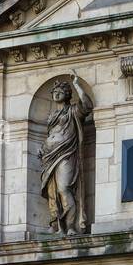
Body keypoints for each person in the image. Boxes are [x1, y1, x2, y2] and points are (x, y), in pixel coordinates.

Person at [39, 73, 92, 234]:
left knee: (63, 188)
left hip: (67, 154)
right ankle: (55, 223)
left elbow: (87, 106)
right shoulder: (52, 116)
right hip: (49, 157)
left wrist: (77, 84)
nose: (56, 93)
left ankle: (70, 225)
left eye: (60, 91)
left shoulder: (73, 110)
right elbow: (52, 135)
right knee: (52, 190)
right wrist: (42, 149)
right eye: (54, 91)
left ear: (68, 94)